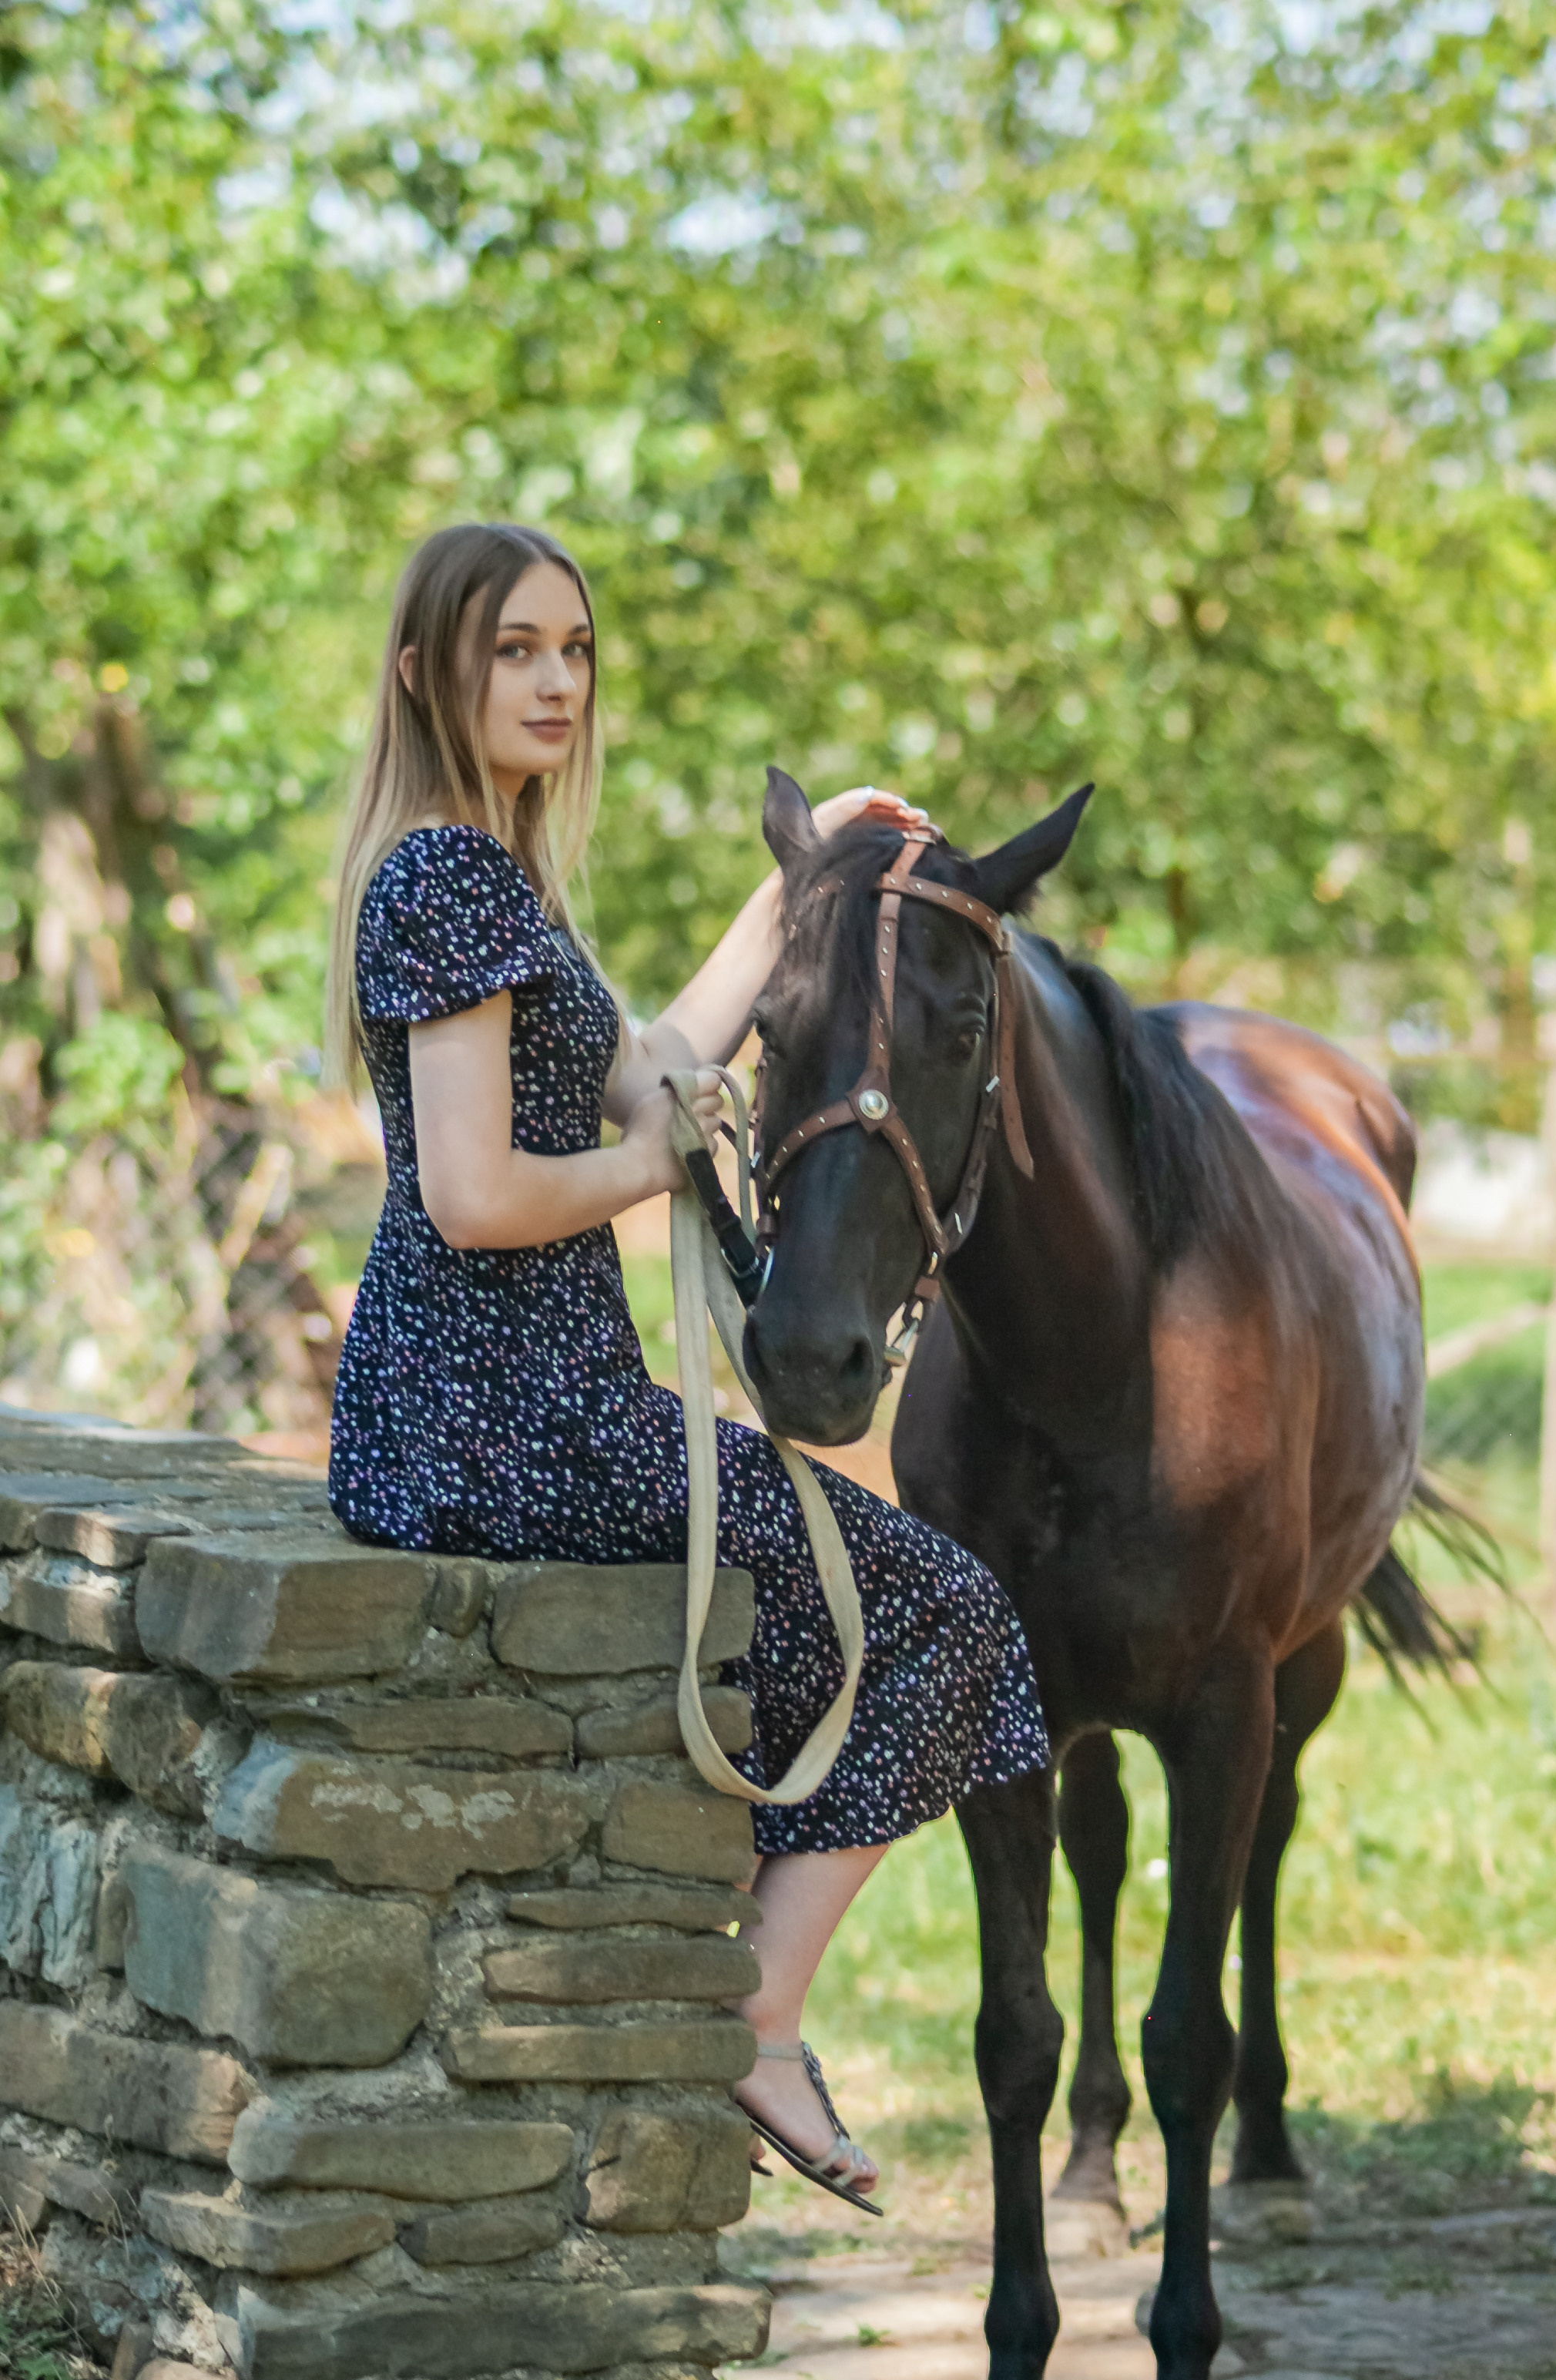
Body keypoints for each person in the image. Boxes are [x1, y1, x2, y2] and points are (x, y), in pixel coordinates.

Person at [323, 521, 1050, 2209]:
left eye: (574, 648)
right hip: (501, 1421)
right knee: (945, 1617)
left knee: (886, 1611)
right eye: (514, 648)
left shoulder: (491, 879)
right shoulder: (447, 878)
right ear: (428, 670)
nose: (556, 680)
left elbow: (646, 1067)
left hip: (507, 1405)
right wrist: (657, 1170)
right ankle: (759, 2016)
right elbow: (477, 1192)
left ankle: (753, 2002)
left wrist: (791, 889)